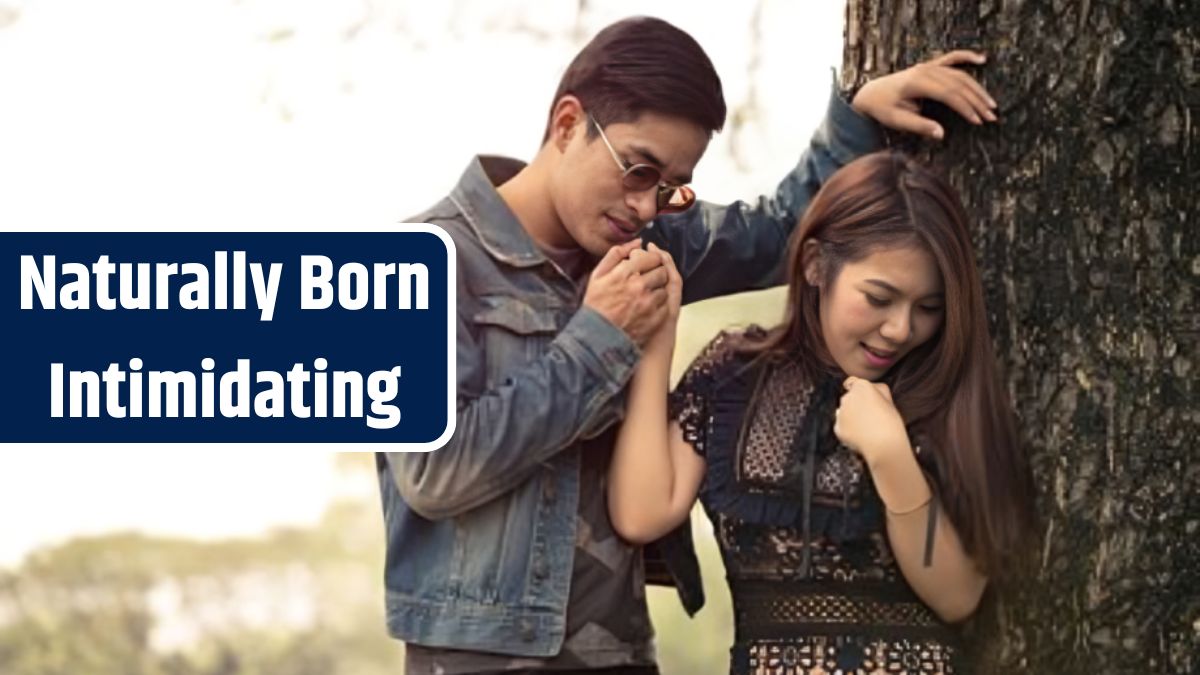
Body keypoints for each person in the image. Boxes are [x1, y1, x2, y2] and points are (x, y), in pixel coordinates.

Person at [376, 15, 1001, 675]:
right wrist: (599, 339)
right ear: (567, 125)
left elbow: (782, 233)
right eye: (639, 169)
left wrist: (856, 117)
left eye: (671, 185)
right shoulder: (416, 264)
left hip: (620, 650)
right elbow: (432, 472)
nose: (648, 206)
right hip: (478, 656)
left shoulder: (643, 244)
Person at [607, 151, 1038, 674]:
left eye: (927, 308)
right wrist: (658, 341)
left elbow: (957, 595)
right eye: (880, 297)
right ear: (814, 265)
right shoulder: (732, 374)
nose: (901, 328)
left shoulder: (945, 395)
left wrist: (889, 454)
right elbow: (641, 511)